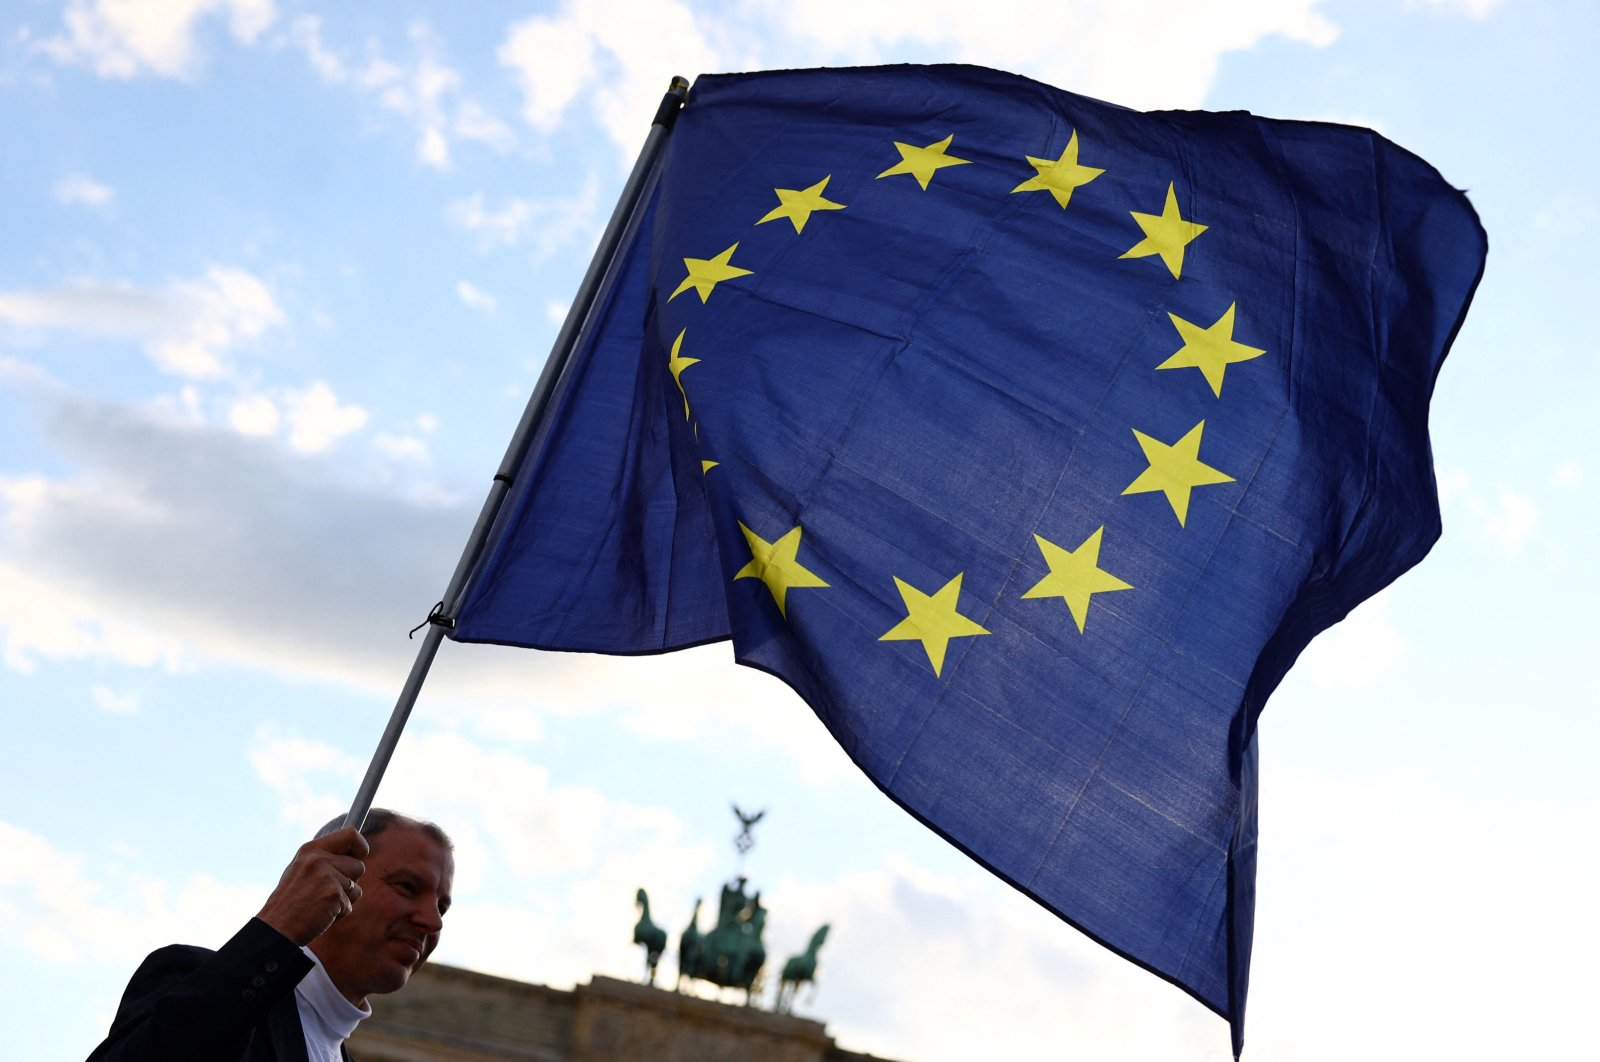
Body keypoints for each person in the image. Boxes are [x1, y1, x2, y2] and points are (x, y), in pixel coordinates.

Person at [87, 808, 454, 1062]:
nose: (432, 921)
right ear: (331, 878)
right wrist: (278, 928)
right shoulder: (192, 976)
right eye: (407, 887)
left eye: (441, 906)